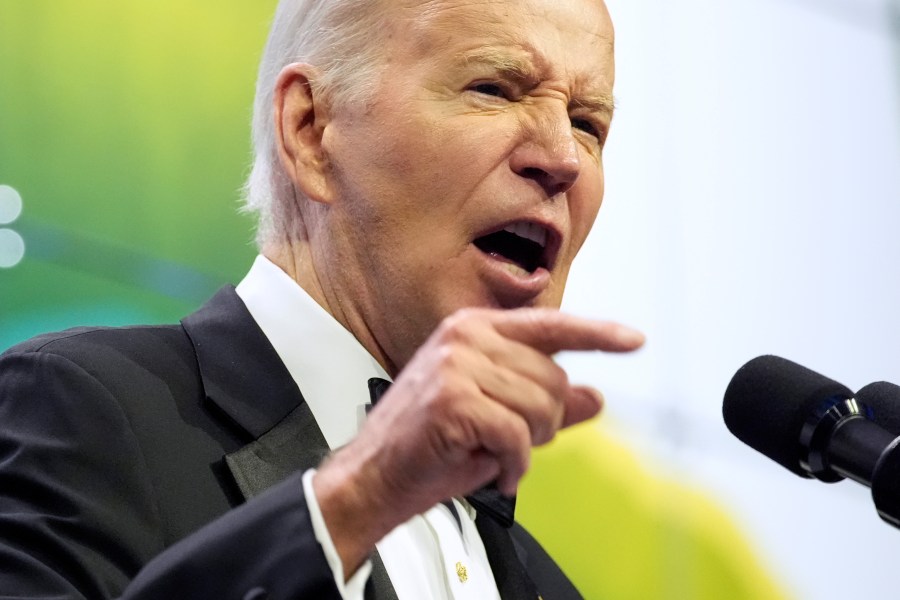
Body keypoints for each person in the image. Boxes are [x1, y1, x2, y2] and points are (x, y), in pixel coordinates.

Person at [0, 0, 644, 597]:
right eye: (494, 89)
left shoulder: (545, 583)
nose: (564, 158)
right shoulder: (77, 409)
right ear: (310, 128)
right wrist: (359, 497)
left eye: (588, 123)